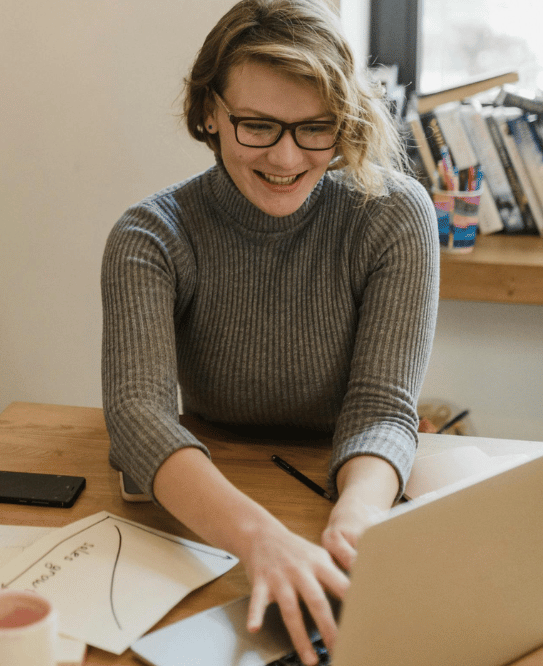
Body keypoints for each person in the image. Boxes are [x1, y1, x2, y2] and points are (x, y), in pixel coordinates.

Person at [101, 1, 438, 664]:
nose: (287, 156)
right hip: (214, 500)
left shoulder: (396, 216)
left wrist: (360, 514)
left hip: (338, 481)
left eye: (316, 128)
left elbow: (381, 406)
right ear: (208, 112)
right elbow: (139, 418)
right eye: (256, 125)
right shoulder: (149, 235)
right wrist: (260, 539)